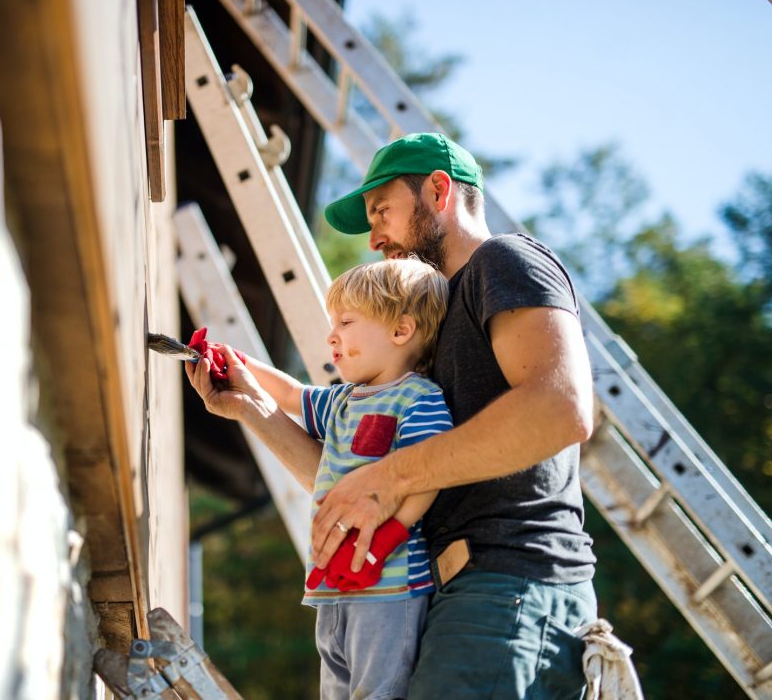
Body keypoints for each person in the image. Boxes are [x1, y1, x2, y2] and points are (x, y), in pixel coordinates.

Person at [189, 132, 598, 699]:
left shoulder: (503, 262)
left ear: (438, 190)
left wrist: (387, 478)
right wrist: (255, 410)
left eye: (382, 211)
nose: (376, 238)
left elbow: (561, 409)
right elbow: (355, 482)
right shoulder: (424, 332)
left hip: (511, 585)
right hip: (446, 595)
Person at [187, 258, 453, 700]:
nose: (332, 335)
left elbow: (426, 474)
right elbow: (290, 394)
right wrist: (237, 364)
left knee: (378, 692)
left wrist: (391, 533)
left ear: (401, 331)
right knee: (336, 688)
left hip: (390, 583)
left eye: (346, 322)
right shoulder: (343, 401)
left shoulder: (418, 399)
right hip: (330, 585)